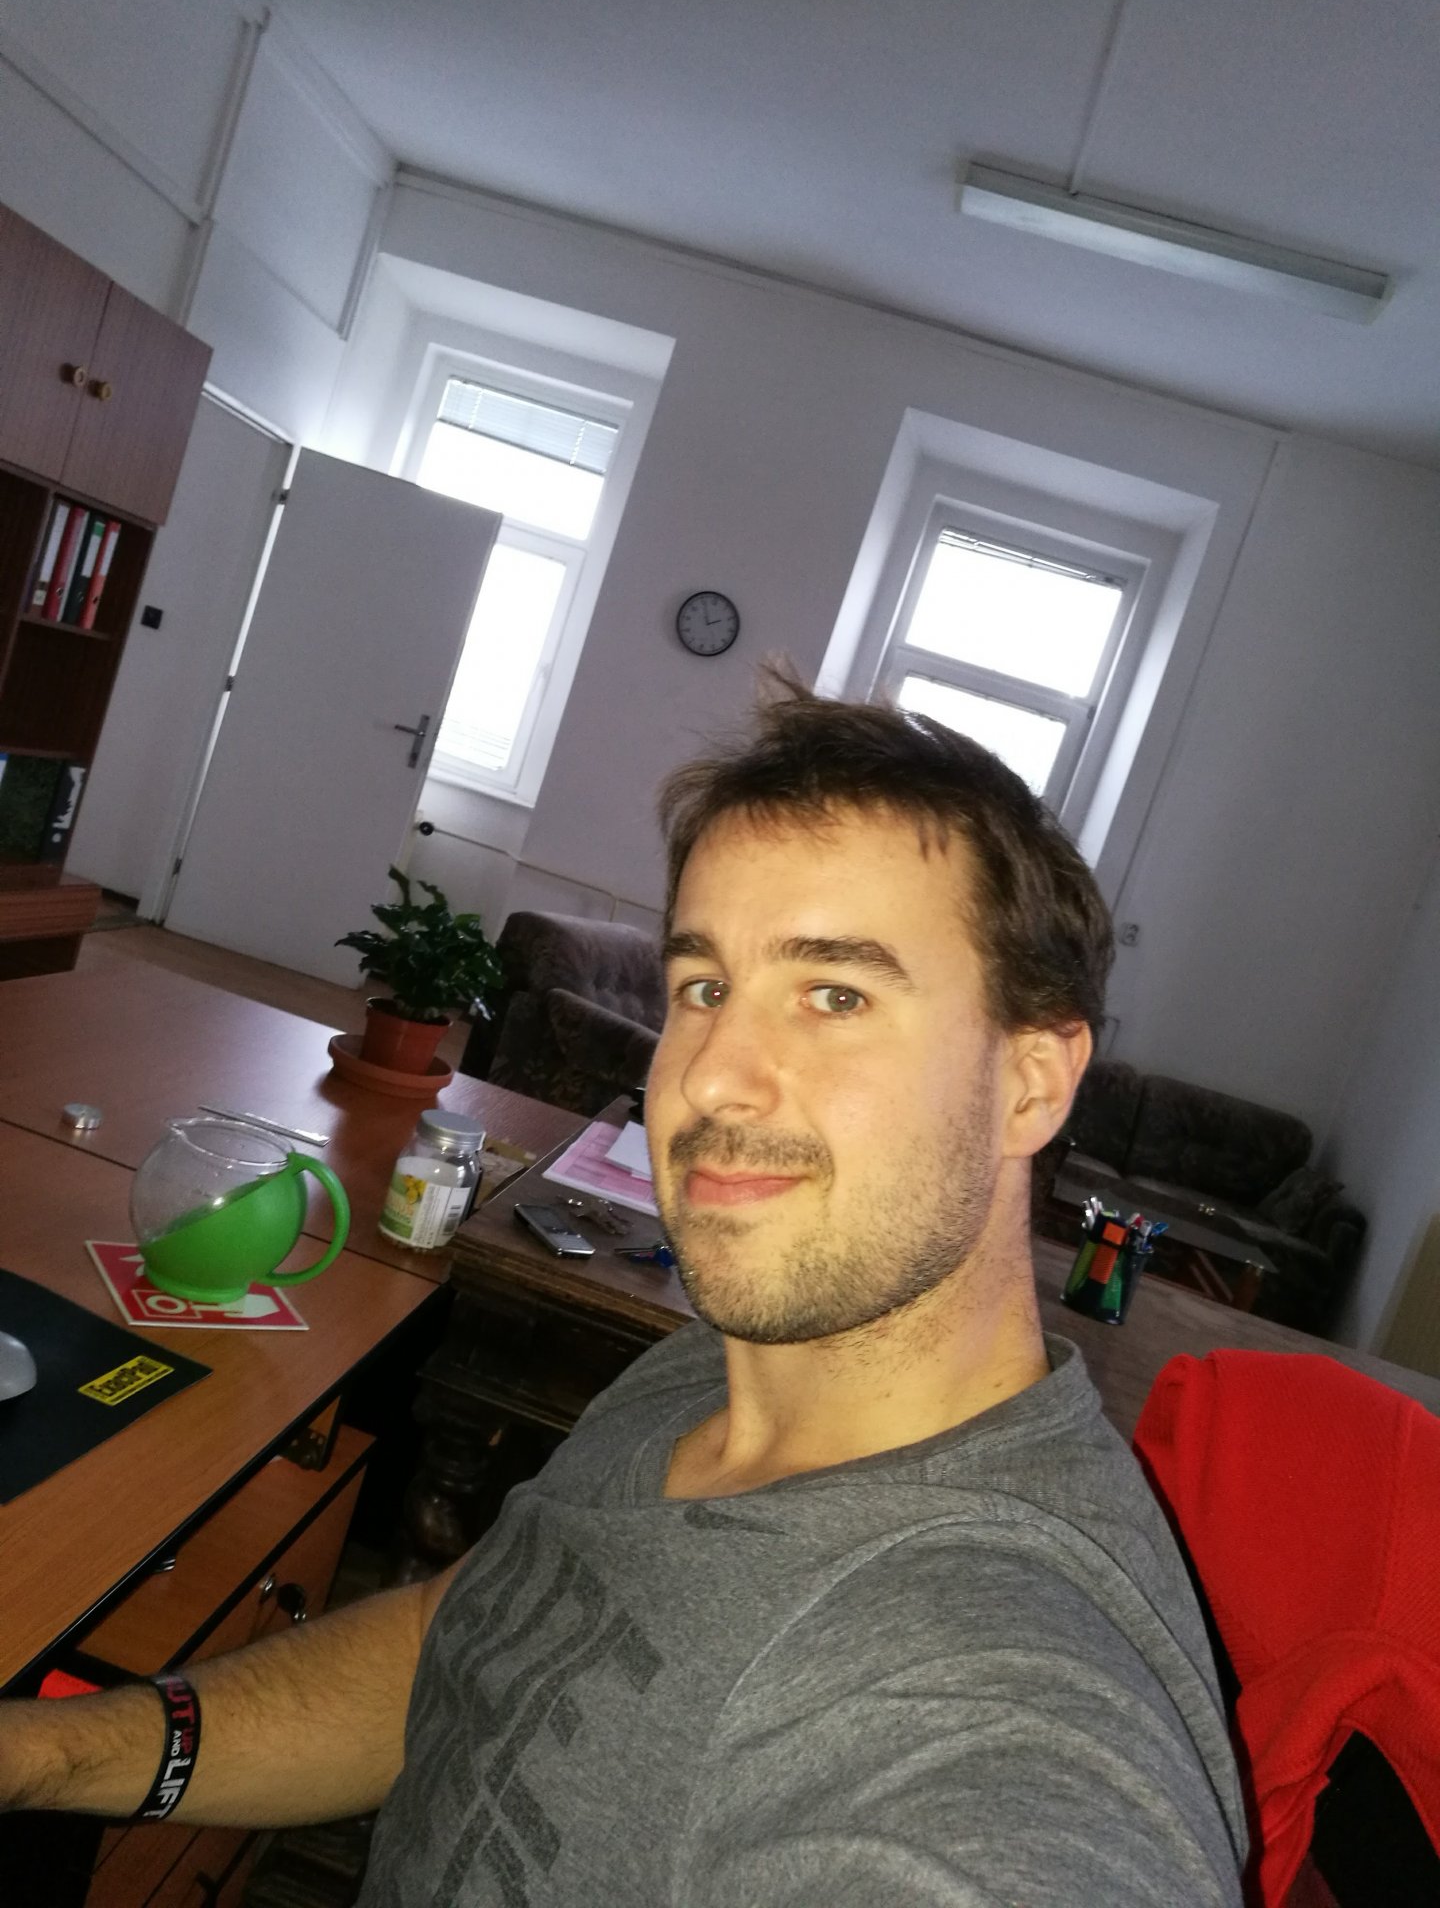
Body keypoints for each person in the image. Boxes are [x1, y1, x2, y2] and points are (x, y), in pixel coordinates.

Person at [0, 676, 1246, 1904]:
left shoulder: (999, 1694)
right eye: (704, 987)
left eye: (836, 995)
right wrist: (46, 1759)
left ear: (1033, 1082)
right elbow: (467, 1647)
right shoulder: (715, 1370)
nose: (708, 1077)